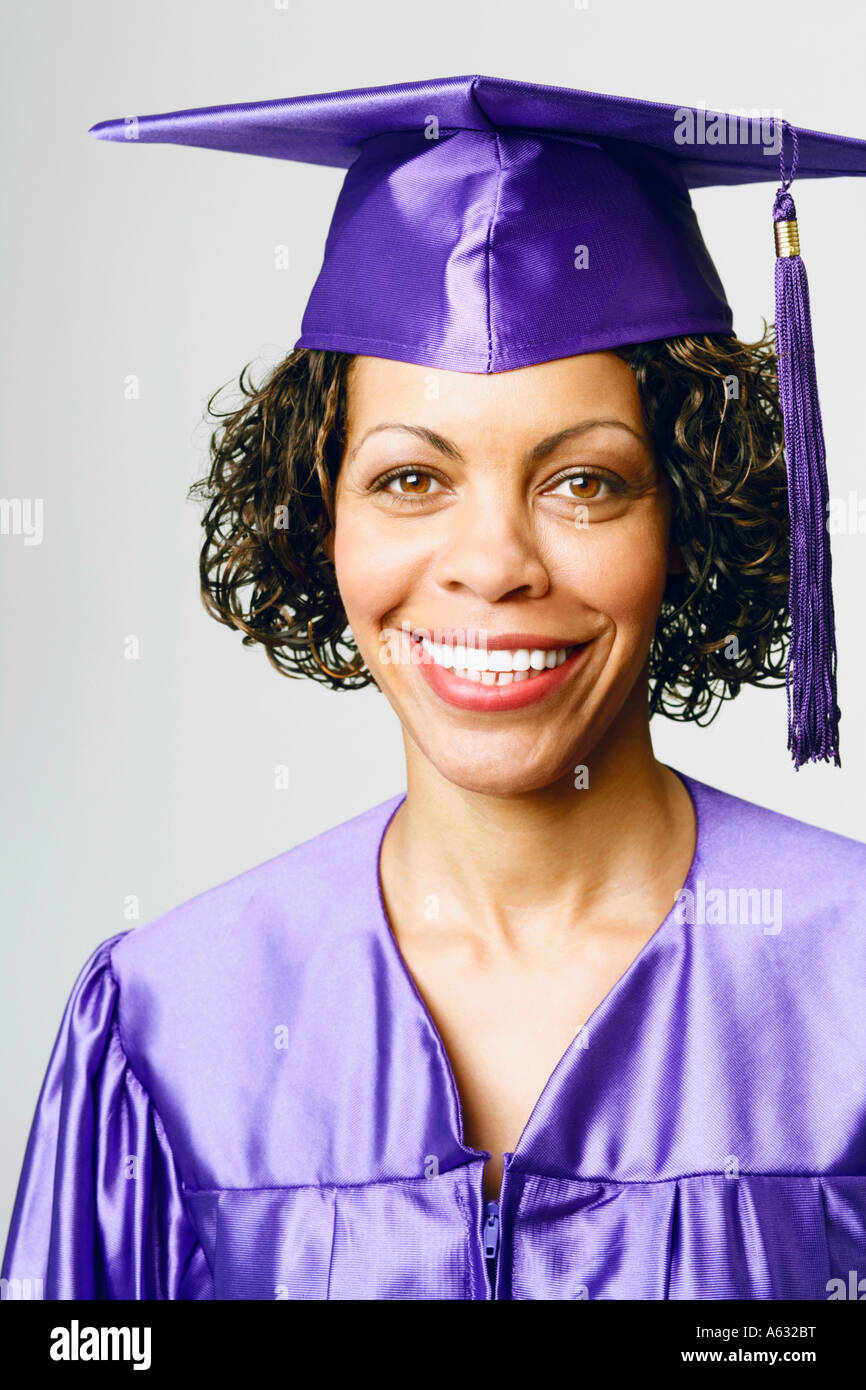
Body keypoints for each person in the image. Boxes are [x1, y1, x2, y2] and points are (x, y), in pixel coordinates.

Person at [3, 74, 866, 1301]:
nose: (493, 565)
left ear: (689, 513)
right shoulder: (170, 1028)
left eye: (585, 481)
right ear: (321, 516)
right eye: (412, 479)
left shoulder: (849, 991)